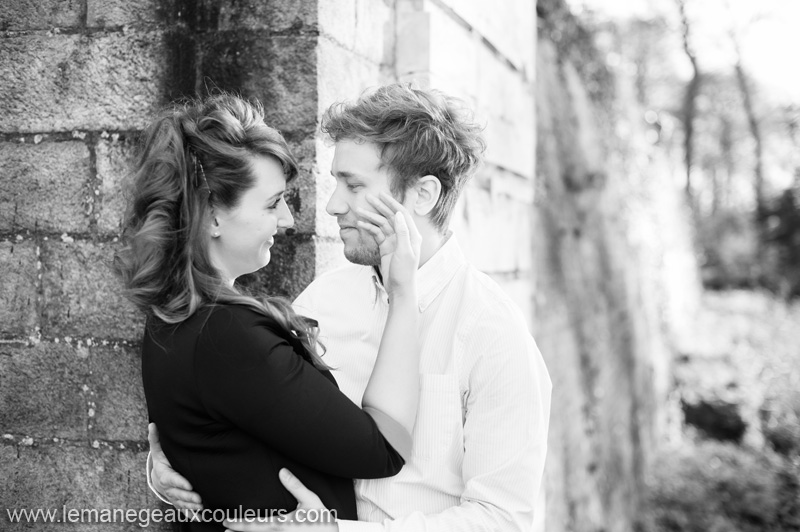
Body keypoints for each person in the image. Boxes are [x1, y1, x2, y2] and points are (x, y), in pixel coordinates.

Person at [149, 84, 552, 532]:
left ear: (423, 195)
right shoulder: (322, 300)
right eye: (336, 182)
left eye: (354, 185)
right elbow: (251, 419)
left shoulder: (494, 334)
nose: (333, 205)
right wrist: (177, 465)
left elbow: (502, 519)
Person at [113, 93, 424, 531]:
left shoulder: (175, 317)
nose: (288, 221)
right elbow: (384, 449)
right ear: (211, 215)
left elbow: (225, 439)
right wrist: (404, 294)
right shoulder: (227, 334)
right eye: (271, 203)